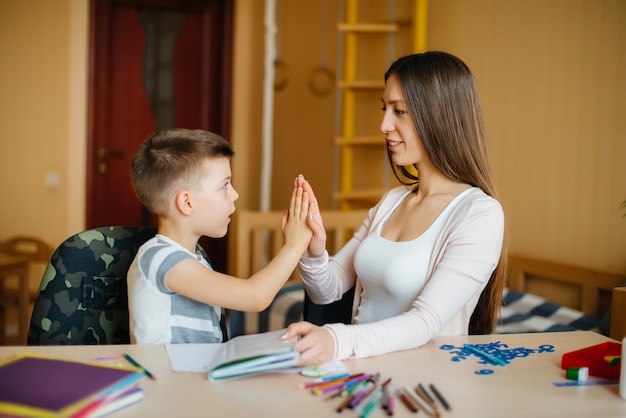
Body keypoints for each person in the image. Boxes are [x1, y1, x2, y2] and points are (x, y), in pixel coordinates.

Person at [283, 51, 506, 364]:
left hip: (424, 384)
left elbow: (425, 321)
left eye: (399, 111)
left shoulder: (479, 215)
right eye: (384, 108)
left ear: (440, 116)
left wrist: (336, 339)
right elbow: (327, 291)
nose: (384, 124)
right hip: (359, 369)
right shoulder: (392, 201)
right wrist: (314, 250)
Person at [127, 128, 312, 344]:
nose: (235, 194)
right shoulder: (160, 258)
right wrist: (294, 245)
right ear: (187, 203)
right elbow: (255, 296)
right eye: (224, 185)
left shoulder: (194, 258)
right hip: (169, 377)